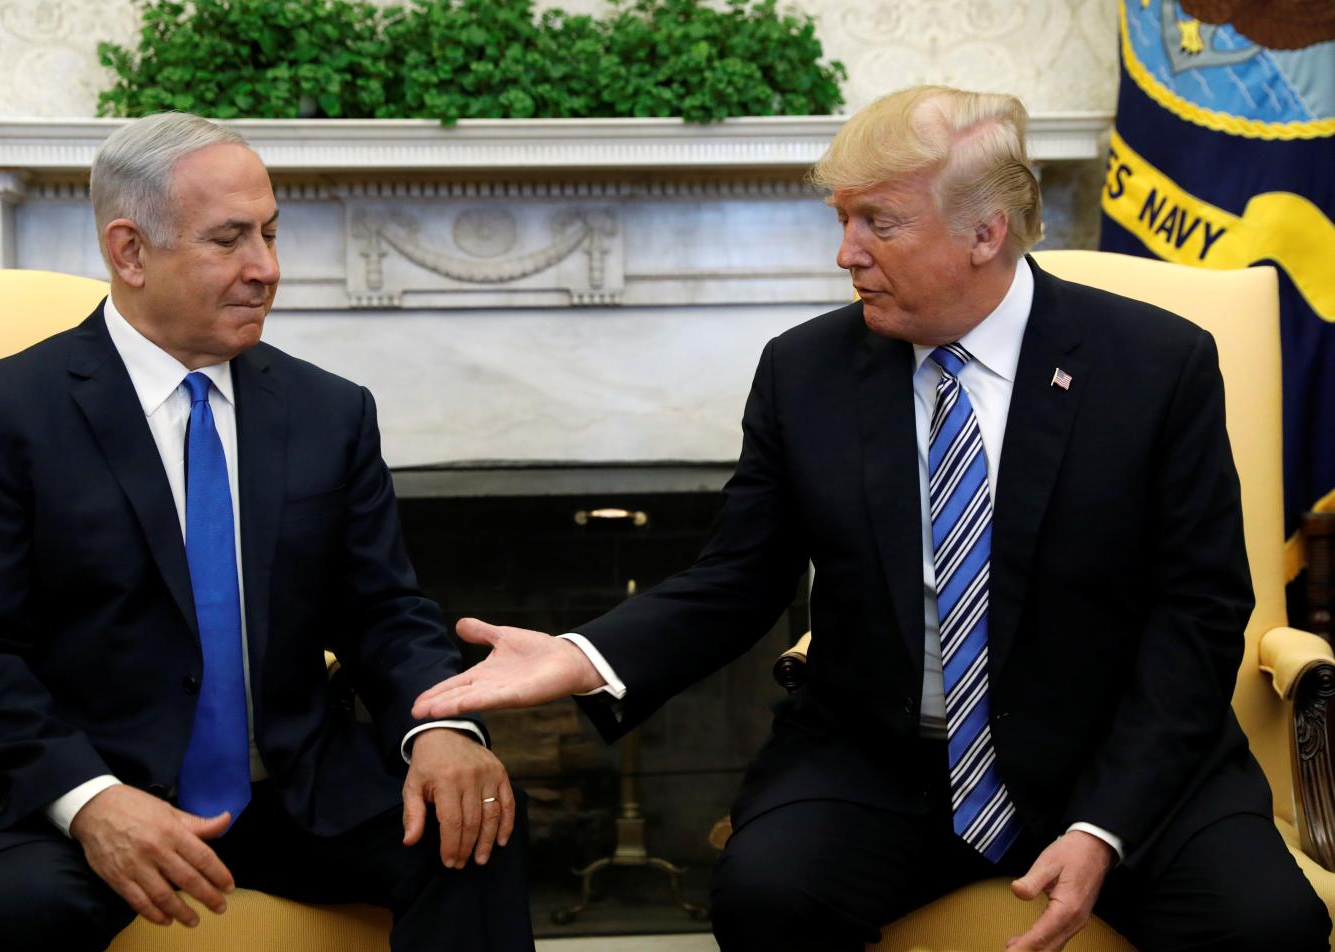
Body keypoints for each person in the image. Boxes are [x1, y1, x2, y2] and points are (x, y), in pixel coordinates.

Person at [412, 86, 1330, 951]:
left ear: (985, 231)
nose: (845, 252)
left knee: (1267, 928)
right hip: (884, 760)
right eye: (841, 220)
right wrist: (584, 656)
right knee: (767, 898)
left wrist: (1104, 823)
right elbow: (736, 580)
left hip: (1117, 758)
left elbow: (1198, 612)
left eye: (876, 223)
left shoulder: (1154, 366)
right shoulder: (806, 371)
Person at [0, 111, 533, 952]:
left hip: (293, 789)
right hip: (77, 794)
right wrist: (91, 799)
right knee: (15, 911)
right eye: (229, 239)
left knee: (470, 833)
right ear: (130, 252)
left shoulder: (329, 412)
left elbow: (384, 610)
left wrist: (441, 726)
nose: (265, 268)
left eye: (269, 233)